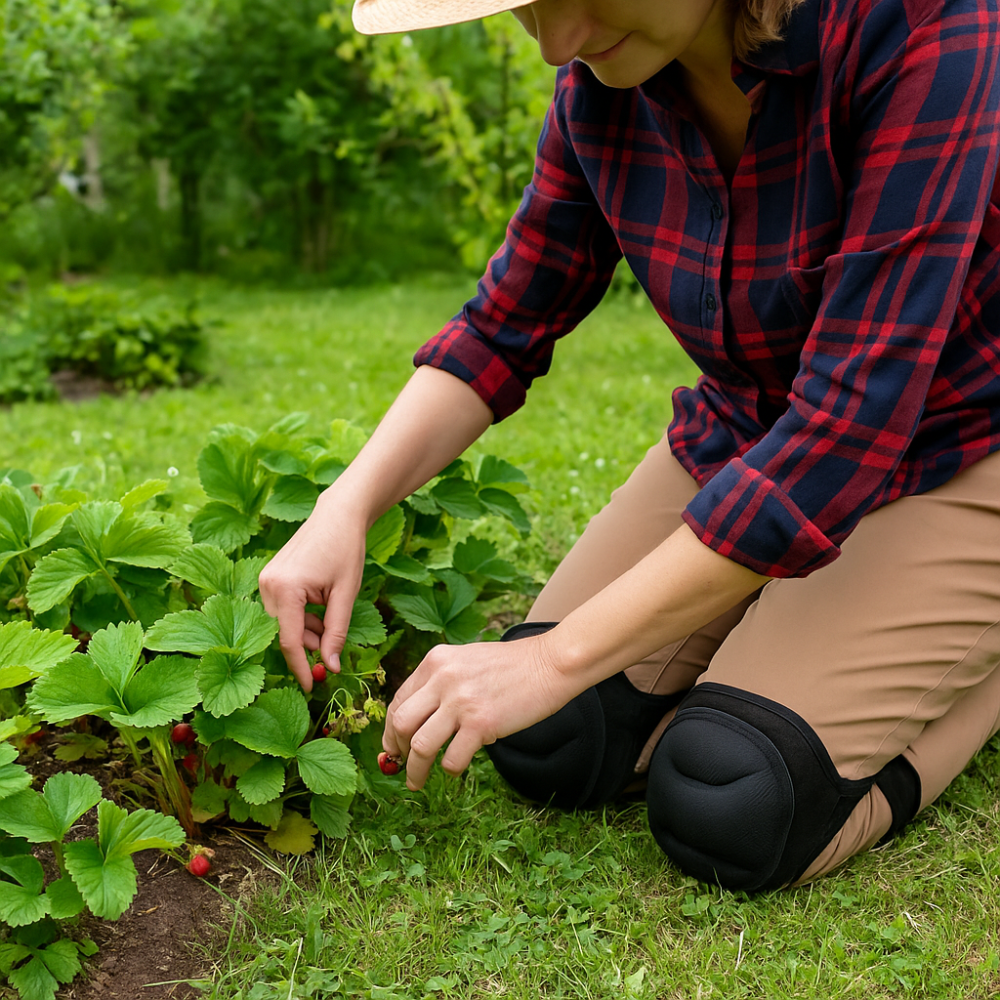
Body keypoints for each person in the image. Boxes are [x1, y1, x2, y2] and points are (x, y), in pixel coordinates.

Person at [258, 0, 1000, 892]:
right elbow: (507, 322)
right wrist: (346, 505)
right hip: (753, 437)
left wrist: (549, 655)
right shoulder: (605, 83)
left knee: (732, 796)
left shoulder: (925, 29)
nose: (559, 44)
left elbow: (847, 425)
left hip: (961, 444)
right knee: (553, 741)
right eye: (530, 10)